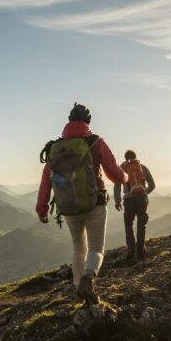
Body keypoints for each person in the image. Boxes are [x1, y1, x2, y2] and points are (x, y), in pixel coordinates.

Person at [36, 103, 127, 304]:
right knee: (96, 249)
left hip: (68, 207)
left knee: (78, 247)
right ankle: (89, 277)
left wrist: (42, 208)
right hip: (95, 203)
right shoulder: (96, 142)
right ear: (88, 122)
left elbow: (46, 180)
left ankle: (79, 290)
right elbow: (115, 173)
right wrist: (126, 177)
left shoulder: (55, 148)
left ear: (69, 122)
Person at [114, 150, 155, 261]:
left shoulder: (122, 169)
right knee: (141, 225)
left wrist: (117, 202)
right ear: (135, 157)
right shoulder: (142, 167)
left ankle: (131, 250)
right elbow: (152, 184)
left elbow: (117, 186)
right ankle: (140, 251)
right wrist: (145, 193)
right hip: (142, 199)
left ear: (125, 158)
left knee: (128, 225)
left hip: (129, 201)